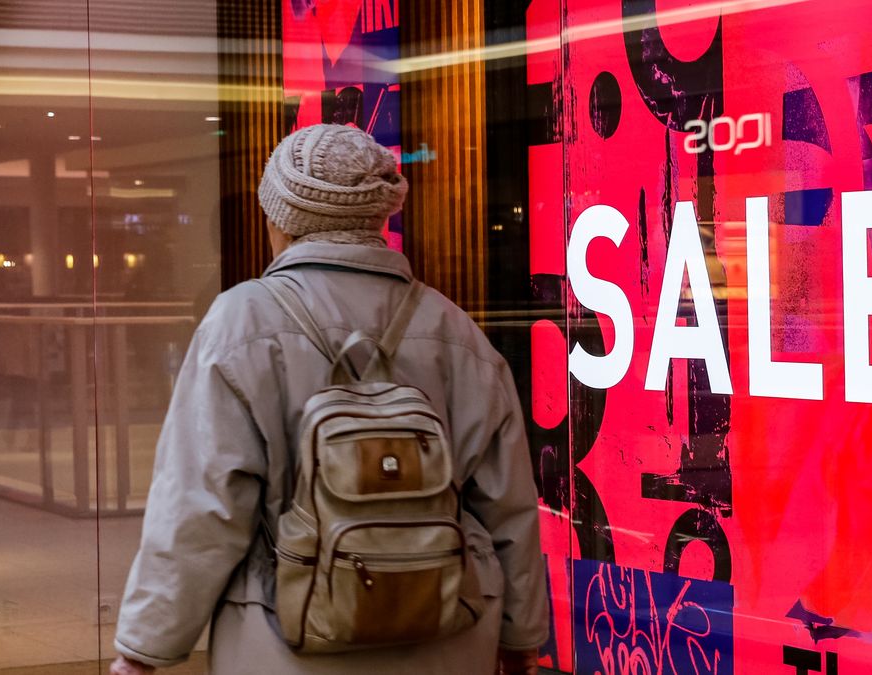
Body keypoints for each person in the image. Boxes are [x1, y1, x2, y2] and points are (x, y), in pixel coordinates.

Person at [110, 124, 548, 674]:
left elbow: (203, 504)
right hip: (448, 623)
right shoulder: (453, 327)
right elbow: (507, 503)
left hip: (290, 630)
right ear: (377, 219)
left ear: (282, 220)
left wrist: (145, 648)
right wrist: (521, 635)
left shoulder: (241, 322)